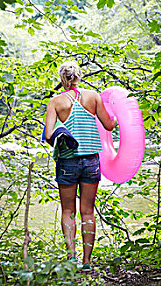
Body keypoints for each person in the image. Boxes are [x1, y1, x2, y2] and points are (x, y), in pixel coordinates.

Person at [44, 61, 116, 269]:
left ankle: (71, 258)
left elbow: (49, 135)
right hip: (91, 160)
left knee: (68, 211)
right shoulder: (93, 97)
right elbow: (109, 125)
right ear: (79, 76)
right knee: (88, 211)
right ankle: (87, 262)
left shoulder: (55, 102)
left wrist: (60, 128)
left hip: (68, 161)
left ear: (62, 79)